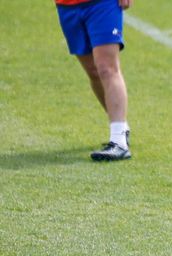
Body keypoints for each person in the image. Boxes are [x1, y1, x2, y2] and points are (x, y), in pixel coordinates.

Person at [56, 0, 133, 161]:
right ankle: (122, 128)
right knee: (93, 71)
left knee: (107, 68)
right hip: (66, 6)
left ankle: (119, 141)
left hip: (102, 4)